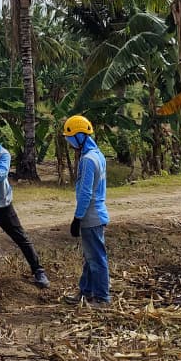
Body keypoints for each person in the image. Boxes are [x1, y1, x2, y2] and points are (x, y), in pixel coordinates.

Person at [0, 121, 50, 289]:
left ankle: (38, 271)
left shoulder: (2, 154)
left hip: (2, 205)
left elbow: (2, 174)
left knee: (21, 238)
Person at [62, 115, 110, 304]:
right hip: (98, 213)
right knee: (90, 258)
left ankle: (102, 297)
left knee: (96, 259)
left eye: (70, 139)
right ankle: (86, 292)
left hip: (91, 216)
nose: (70, 144)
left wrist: (77, 218)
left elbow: (85, 193)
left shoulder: (88, 160)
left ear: (79, 137)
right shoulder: (98, 155)